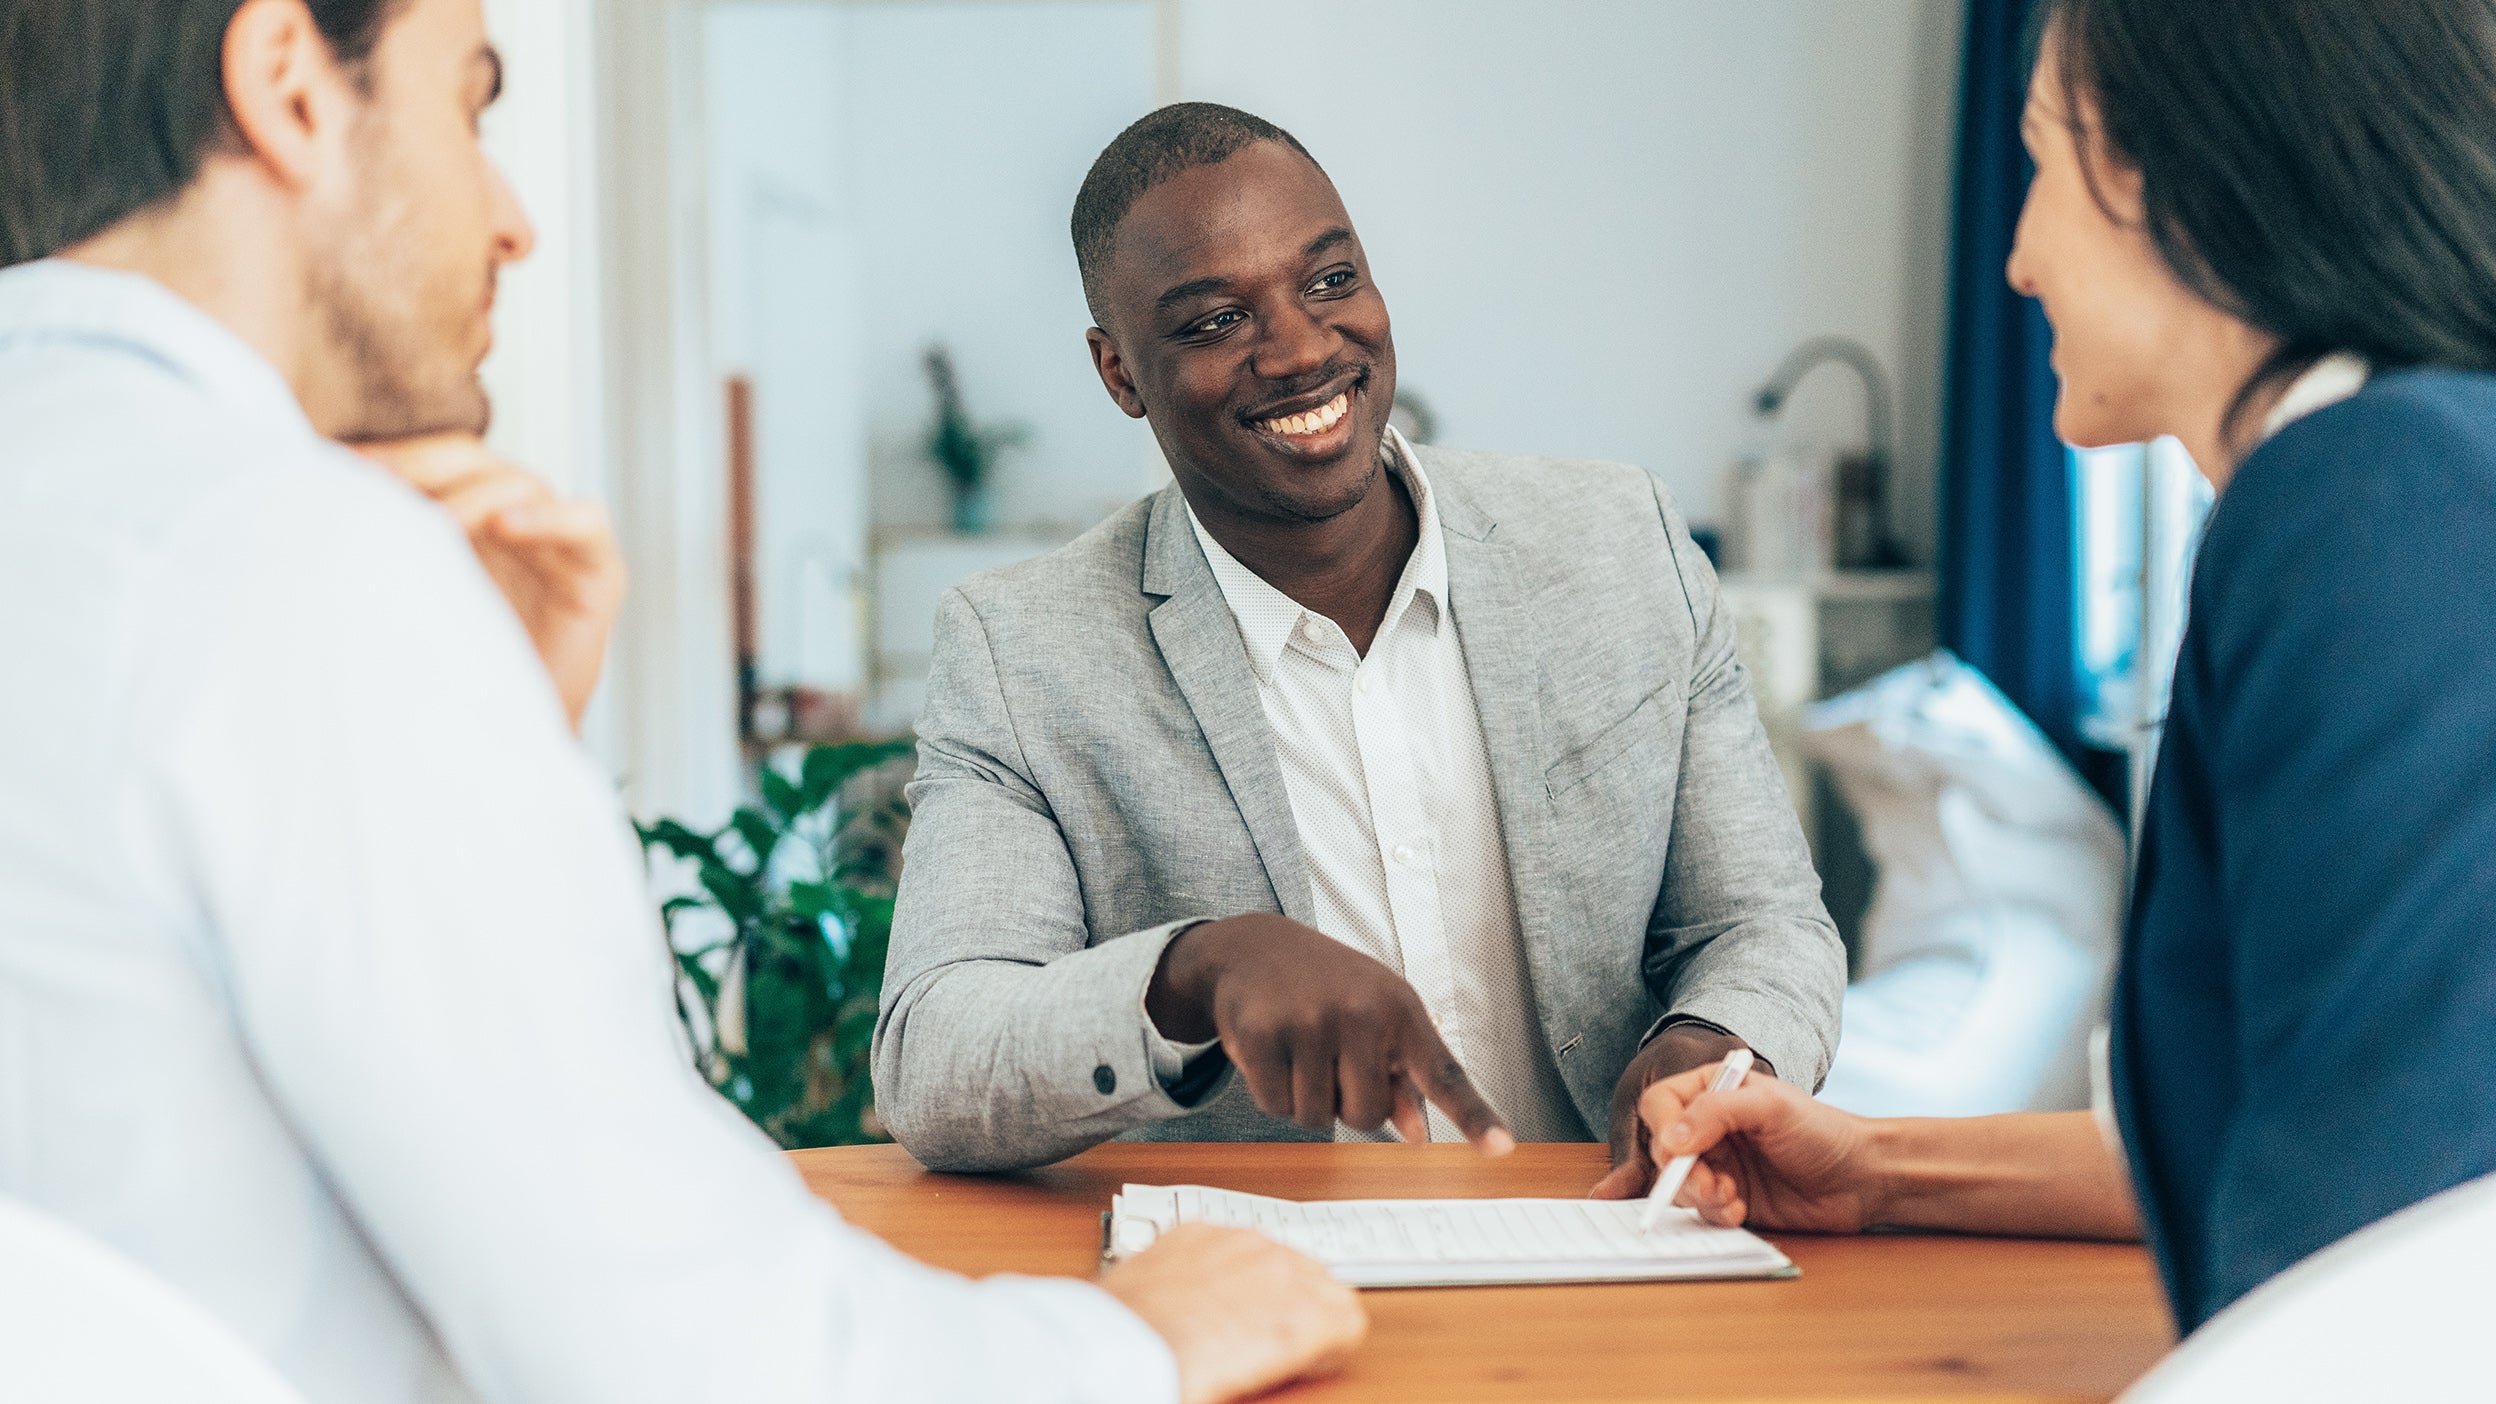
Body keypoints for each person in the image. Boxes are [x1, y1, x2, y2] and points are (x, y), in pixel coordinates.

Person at [0, 3, 1363, 1402]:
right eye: (469, 109)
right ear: (288, 84)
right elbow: (692, 1350)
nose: (512, 220)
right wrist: (1137, 1340)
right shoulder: (292, 557)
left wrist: (493, 750)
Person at [1610, 0, 2496, 1338]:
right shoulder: (2409, 475)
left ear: (2170, 163)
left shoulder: (2376, 491)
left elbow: (2376, 1216)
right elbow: (2289, 1112)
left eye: (2040, 163)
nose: (2017, 261)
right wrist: (1881, 1170)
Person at [872, 103, 1846, 1176]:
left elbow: (1766, 926)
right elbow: (937, 1055)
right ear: (1120, 375)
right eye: (1211, 323)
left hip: (1615, 1249)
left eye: (1330, 281)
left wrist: (1711, 1053)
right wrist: (1195, 971)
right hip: (1271, 1287)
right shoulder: (1024, 653)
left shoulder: (1622, 548)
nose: (1298, 349)